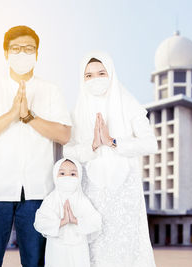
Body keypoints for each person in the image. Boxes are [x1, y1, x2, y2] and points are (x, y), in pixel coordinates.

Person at [0, 25, 72, 267]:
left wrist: (29, 117)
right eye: (16, 49)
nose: (22, 54)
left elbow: (64, 134)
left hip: (38, 191)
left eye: (29, 49)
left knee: (35, 262)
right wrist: (13, 113)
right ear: (6, 54)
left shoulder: (51, 91)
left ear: (37, 54)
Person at [64, 51, 158, 267]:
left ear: (111, 74)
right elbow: (67, 151)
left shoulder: (129, 104)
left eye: (101, 73)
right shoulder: (77, 110)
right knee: (94, 247)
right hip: (92, 191)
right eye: (88, 75)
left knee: (126, 247)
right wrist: (93, 146)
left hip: (125, 191)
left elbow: (150, 143)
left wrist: (112, 141)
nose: (95, 79)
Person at [33, 157, 102, 267]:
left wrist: (75, 221)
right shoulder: (51, 199)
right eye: (62, 173)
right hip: (56, 248)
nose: (67, 178)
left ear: (79, 177)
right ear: (55, 175)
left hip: (78, 248)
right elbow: (39, 222)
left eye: (73, 174)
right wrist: (61, 222)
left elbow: (96, 222)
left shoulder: (82, 200)